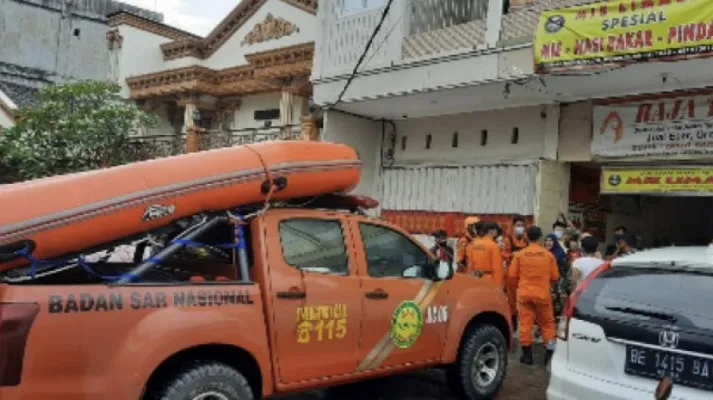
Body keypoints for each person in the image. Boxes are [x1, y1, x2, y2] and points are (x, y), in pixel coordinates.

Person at [509, 226, 560, 366]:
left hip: (525, 294)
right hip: (543, 294)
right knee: (548, 324)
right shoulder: (548, 256)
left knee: (525, 324)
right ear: (540, 238)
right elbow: (555, 277)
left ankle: (527, 356)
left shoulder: (520, 254)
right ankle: (548, 357)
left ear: (527, 237)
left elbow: (512, 275)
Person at [502, 215, 529, 331]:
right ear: (513, 227)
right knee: (511, 299)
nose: (520, 228)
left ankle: (525, 321)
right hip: (511, 273)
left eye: (522, 226)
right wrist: (512, 255)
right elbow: (503, 254)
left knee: (525, 298)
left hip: (524, 273)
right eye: (518, 225)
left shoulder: (527, 240)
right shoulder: (507, 239)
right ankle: (513, 321)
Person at [467, 221, 504, 288]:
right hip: (489, 281)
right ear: (491, 231)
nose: (497, 232)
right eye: (496, 230)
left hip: (475, 279)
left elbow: (470, 265)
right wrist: (498, 286)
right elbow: (497, 268)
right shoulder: (493, 246)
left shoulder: (474, 244)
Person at [544, 233, 571, 317]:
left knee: (556, 305)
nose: (548, 243)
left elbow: (566, 271)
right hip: (545, 282)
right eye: (546, 240)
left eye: (550, 241)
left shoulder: (560, 254)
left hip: (557, 283)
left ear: (555, 242)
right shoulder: (542, 252)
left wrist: (563, 286)